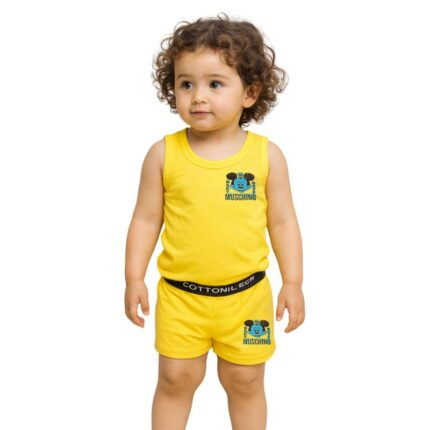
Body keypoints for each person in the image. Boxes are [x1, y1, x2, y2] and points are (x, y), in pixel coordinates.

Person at [124, 12, 305, 430]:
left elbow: (283, 222)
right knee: (175, 379)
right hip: (181, 298)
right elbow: (145, 220)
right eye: (186, 84)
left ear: (250, 92)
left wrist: (293, 282)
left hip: (247, 299)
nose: (198, 97)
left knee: (246, 381)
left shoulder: (267, 156)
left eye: (215, 84)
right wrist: (134, 277)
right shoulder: (163, 154)